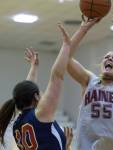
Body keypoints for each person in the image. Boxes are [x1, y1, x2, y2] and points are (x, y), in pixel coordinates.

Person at [0, 20, 98, 150]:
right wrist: (66, 46)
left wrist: (34, 67)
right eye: (40, 92)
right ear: (36, 97)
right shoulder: (42, 113)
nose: (43, 95)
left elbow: (28, 88)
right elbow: (57, 75)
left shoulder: (17, 124)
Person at [66, 7, 113, 150]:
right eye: (106, 57)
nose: (109, 58)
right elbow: (66, 58)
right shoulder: (89, 80)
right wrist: (83, 29)